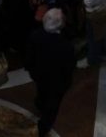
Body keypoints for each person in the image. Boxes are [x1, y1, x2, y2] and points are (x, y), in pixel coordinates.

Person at [25, 9, 76, 137]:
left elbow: (29, 56)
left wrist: (31, 70)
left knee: (42, 92)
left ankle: (40, 103)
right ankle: (43, 127)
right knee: (52, 106)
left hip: (39, 76)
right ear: (61, 24)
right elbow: (70, 66)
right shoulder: (66, 45)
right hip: (57, 82)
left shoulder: (35, 35)